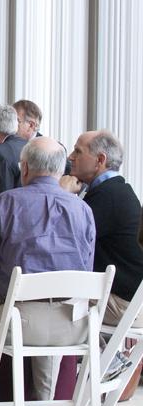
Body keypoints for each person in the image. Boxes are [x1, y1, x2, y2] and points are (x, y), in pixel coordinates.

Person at [0, 137, 96, 406]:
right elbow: (86, 266)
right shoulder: (83, 210)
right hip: (74, 325)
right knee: (50, 324)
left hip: (21, 322)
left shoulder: (6, 202)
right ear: (60, 171)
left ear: (25, 167)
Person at [60, 130, 143, 329]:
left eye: (78, 152)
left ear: (100, 159)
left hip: (125, 304)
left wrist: (62, 195)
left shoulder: (109, 197)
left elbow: (62, 238)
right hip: (129, 297)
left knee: (49, 308)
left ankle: (101, 359)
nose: (71, 157)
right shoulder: (113, 190)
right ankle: (101, 358)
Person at [12, 99, 72, 175]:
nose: (10, 125)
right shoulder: (7, 146)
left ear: (31, 125)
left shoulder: (53, 149)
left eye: (16, 121)